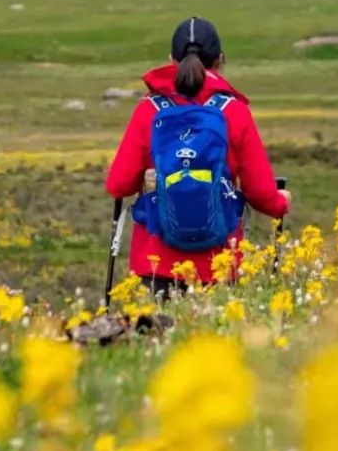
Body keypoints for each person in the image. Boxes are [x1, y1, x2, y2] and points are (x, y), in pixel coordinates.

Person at [106, 17, 290, 296]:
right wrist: (280, 203)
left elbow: (118, 185)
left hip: (157, 262)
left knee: (162, 336)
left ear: (171, 59)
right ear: (220, 60)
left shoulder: (149, 110)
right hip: (218, 262)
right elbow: (261, 192)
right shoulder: (234, 111)